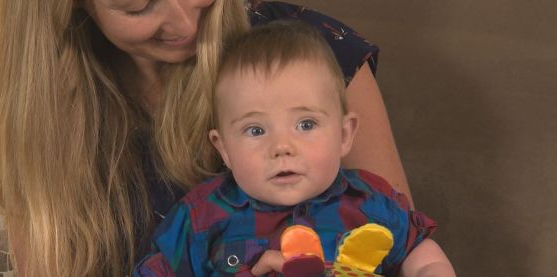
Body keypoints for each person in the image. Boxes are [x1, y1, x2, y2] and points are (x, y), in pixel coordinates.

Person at [0, 0, 413, 275]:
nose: (184, 23)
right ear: (71, 0)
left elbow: (399, 248)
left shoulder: (315, 58)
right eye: (139, 6)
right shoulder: (45, 103)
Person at [134, 21, 455, 276]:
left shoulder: (371, 203)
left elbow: (418, 250)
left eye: (306, 124)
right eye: (256, 130)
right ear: (225, 149)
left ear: (344, 134)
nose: (281, 147)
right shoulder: (201, 216)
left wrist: (432, 270)